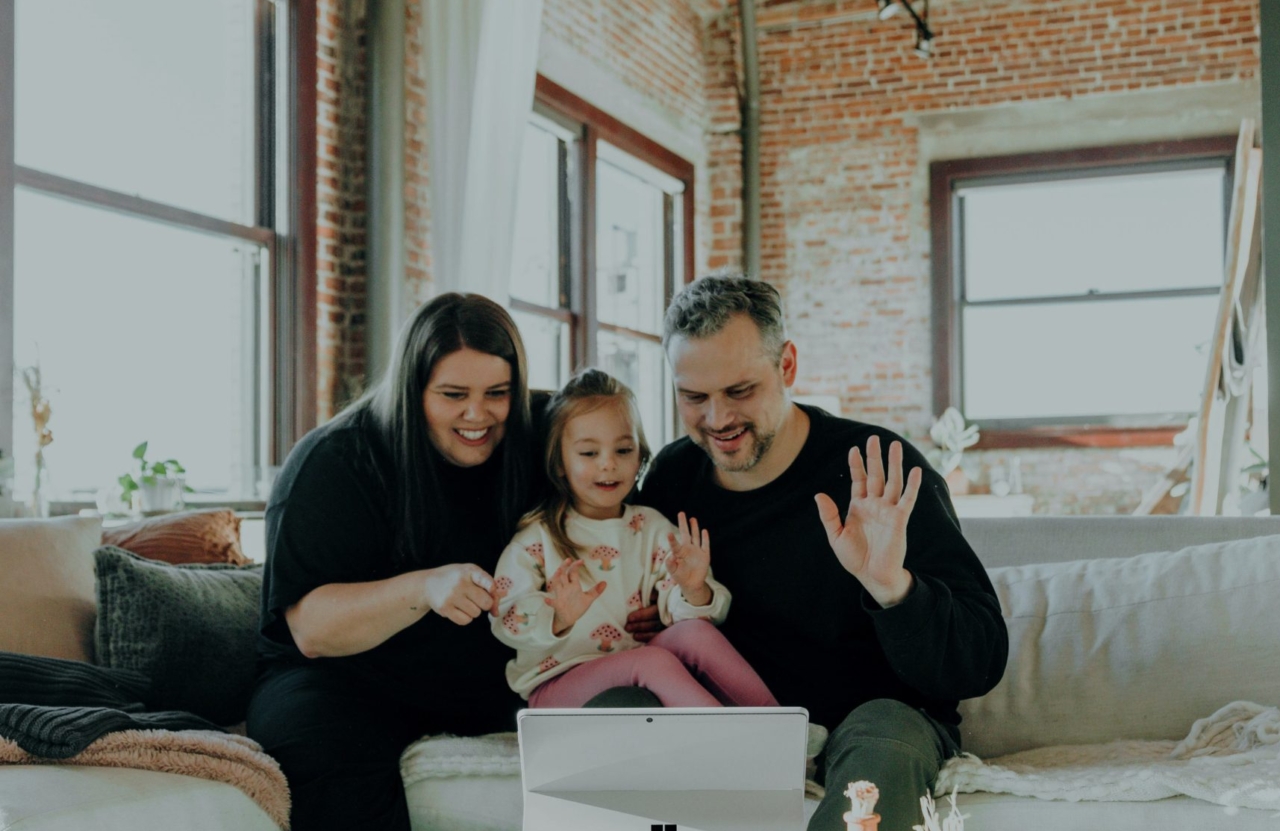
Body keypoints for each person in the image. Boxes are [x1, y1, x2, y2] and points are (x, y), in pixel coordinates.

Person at [623, 275, 1009, 831]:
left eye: (739, 391)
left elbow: (980, 658)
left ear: (786, 366)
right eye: (694, 397)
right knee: (617, 712)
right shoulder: (671, 478)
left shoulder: (879, 468)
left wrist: (891, 587)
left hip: (874, 720)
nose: (717, 419)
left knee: (882, 745)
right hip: (723, 718)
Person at [246, 293, 541, 831]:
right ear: (412, 389)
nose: (478, 415)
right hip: (343, 680)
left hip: (489, 676)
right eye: (453, 395)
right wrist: (426, 587)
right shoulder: (335, 460)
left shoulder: (539, 431)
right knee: (321, 750)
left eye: (497, 393)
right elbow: (312, 629)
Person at [490, 368, 779, 710]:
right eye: (588, 453)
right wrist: (558, 617)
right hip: (556, 687)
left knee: (695, 634)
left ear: (640, 455)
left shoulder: (651, 528)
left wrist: (693, 589)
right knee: (653, 662)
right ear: (560, 464)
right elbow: (505, 617)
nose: (608, 464)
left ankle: (787, 734)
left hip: (635, 670)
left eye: (623, 450)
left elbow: (688, 614)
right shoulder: (536, 539)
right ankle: (741, 746)